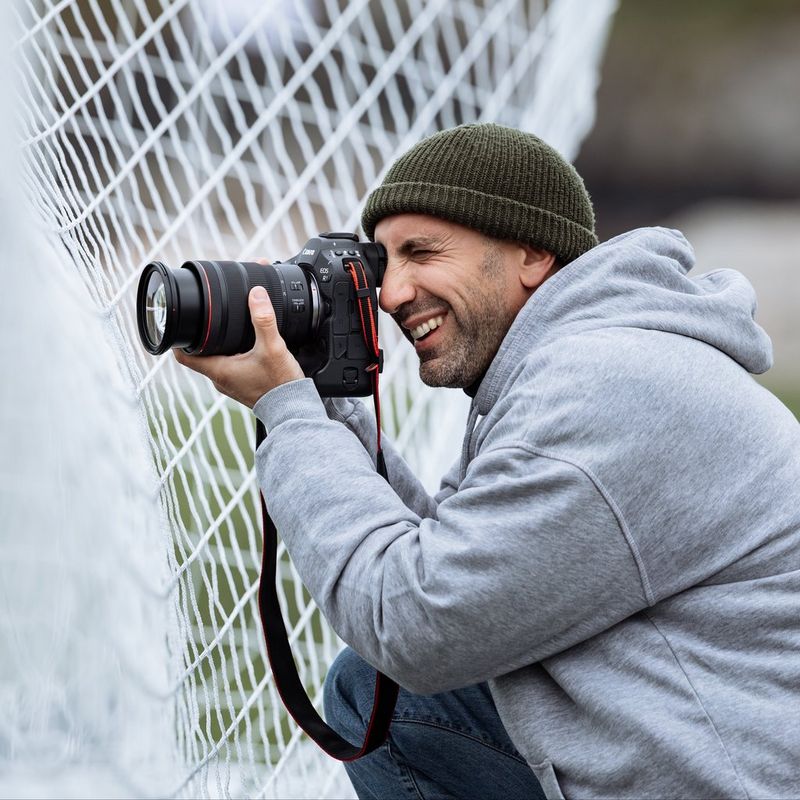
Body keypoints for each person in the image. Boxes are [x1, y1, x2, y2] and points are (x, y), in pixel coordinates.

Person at [174, 123, 800, 799]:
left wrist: (289, 414)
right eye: (384, 263)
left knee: (387, 692)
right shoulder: (584, 362)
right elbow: (451, 557)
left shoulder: (603, 391)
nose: (390, 294)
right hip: (696, 739)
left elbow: (410, 623)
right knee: (378, 694)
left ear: (532, 252)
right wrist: (323, 400)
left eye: (422, 252)